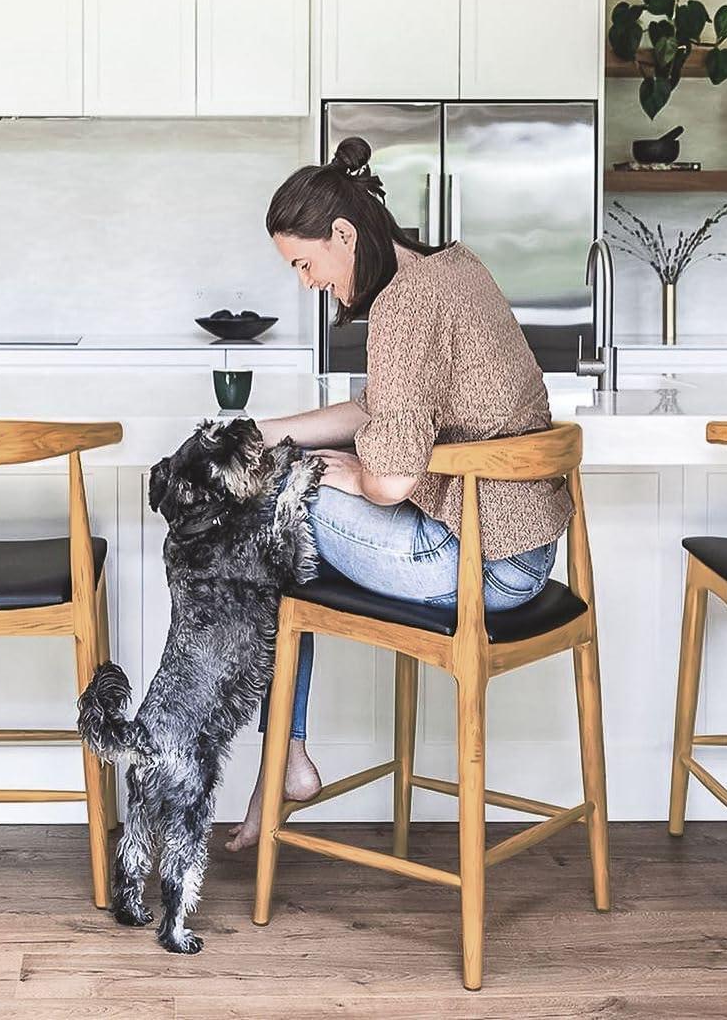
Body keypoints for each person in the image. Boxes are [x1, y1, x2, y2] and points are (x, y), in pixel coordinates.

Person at [225, 135, 573, 852]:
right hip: (521, 549)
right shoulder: (449, 266)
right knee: (285, 496)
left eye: (304, 262)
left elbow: (388, 481)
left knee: (268, 511)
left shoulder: (404, 307)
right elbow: (376, 410)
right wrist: (264, 432)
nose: (304, 282)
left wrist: (341, 471)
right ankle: (281, 755)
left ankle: (280, 756)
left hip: (482, 565)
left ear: (343, 235)